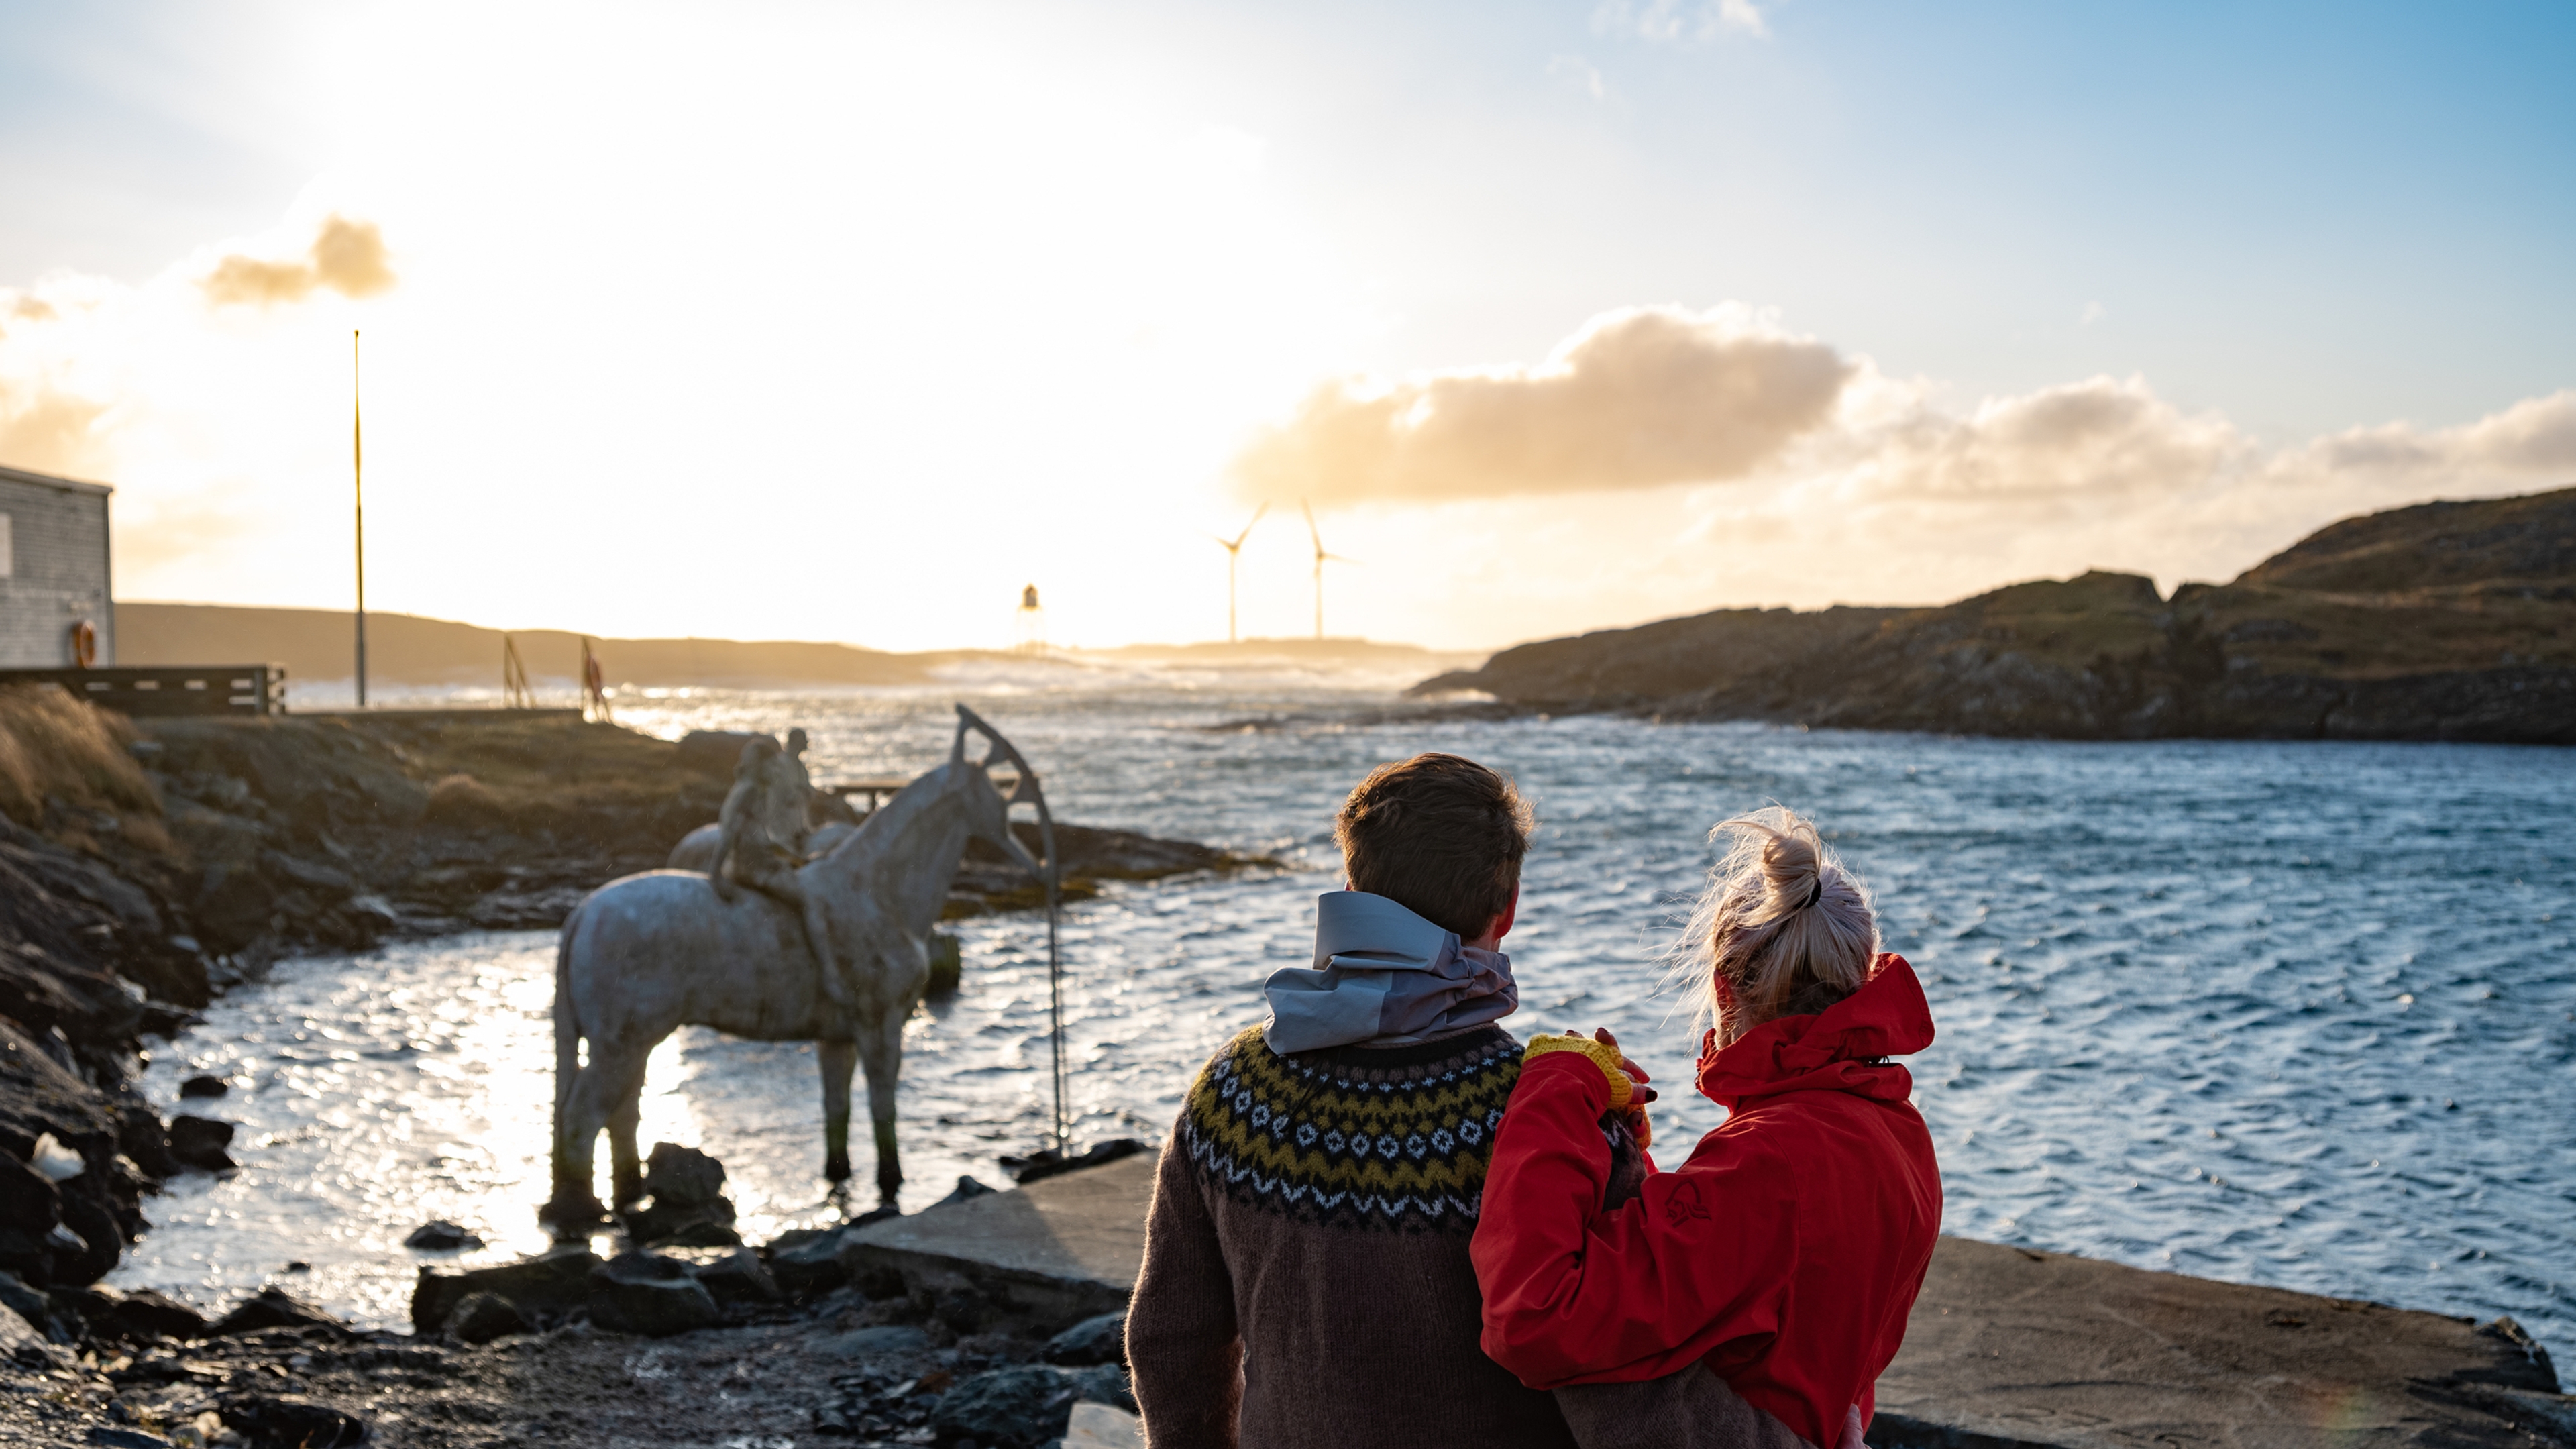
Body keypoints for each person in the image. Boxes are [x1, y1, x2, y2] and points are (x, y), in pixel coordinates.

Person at [1126, 753, 1578, 1449]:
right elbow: (1618, 1376)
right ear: (1507, 907)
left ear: (1351, 890)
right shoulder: (1546, 1115)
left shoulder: (1232, 1094)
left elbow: (1172, 1339)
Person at [1472, 808, 1941, 1449]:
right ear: (1860, 976)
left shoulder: (1766, 1160)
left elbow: (1534, 1319)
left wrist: (1555, 1087)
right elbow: (1762, 1307)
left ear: (1725, 989)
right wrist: (1636, 1170)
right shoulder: (1900, 1135)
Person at [712, 735, 842, 1001]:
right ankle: (829, 973)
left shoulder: (750, 790)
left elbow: (764, 839)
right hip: (754, 869)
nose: (777, 772)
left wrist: (800, 861)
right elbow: (729, 835)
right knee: (810, 901)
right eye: (772, 767)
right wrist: (715, 876)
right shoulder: (749, 792)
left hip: (759, 862)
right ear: (759, 767)